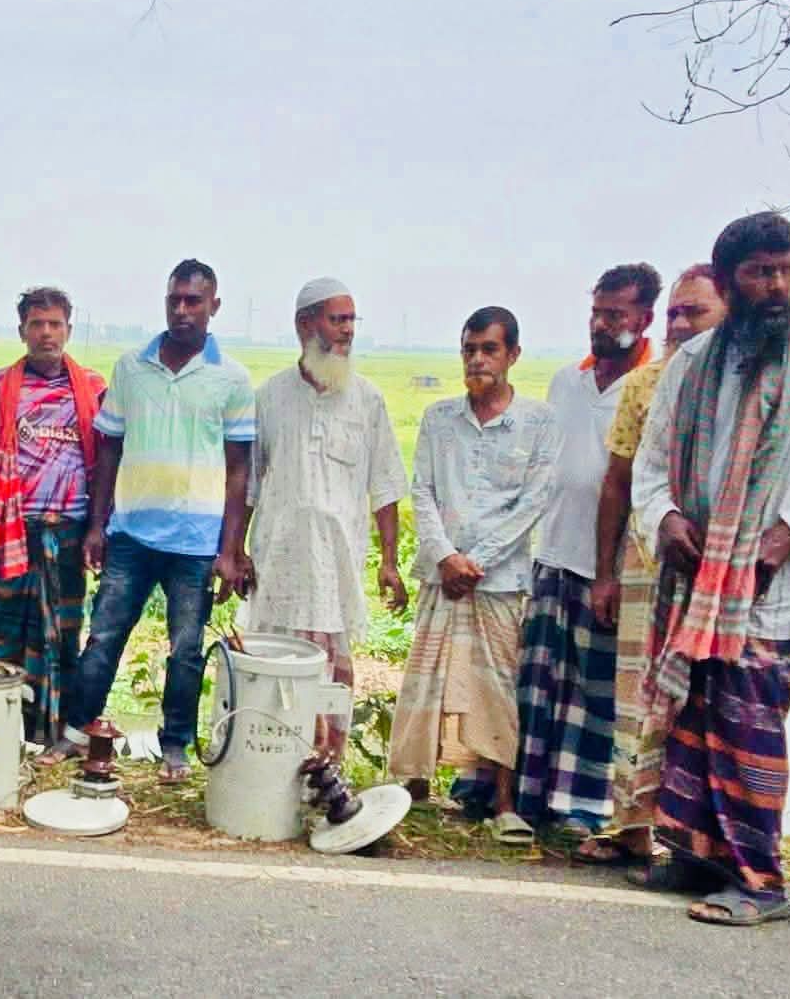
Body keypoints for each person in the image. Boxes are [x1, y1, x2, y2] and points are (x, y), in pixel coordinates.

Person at [631, 212, 790, 926]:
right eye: (760, 272)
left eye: (786, 269)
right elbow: (651, 468)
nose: (776, 285)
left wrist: (786, 535)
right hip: (694, 581)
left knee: (748, 731)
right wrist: (667, 519)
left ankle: (760, 881)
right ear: (730, 280)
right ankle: (695, 857)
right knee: (691, 721)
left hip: (771, 593)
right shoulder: (694, 361)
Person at [39, 259, 253, 784]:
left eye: (194, 301)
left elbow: (238, 469)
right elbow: (108, 449)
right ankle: (74, 732)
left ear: (214, 307)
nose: (182, 310)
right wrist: (97, 526)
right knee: (104, 636)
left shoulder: (232, 378)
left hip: (196, 543)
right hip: (130, 534)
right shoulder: (132, 367)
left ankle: (174, 744)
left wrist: (231, 550)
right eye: (175, 299)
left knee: (184, 649)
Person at [388, 307, 558, 845]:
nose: (478, 359)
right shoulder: (440, 419)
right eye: (469, 349)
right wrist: (444, 556)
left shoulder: (539, 422)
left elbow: (534, 501)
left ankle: (504, 803)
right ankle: (409, 788)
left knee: (495, 688)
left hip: (499, 580)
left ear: (513, 355)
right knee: (425, 682)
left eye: (489, 349)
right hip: (443, 576)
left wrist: (476, 559)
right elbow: (423, 492)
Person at [578, 264, 727, 865]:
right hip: (645, 560)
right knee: (637, 699)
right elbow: (617, 483)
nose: (682, 324)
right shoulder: (647, 385)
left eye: (697, 313)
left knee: (707, 701)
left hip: (722, 571)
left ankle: (698, 841)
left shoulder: (744, 387)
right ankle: (630, 829)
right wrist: (607, 572)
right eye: (676, 314)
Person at [513, 263, 660, 837]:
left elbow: (632, 487)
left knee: (595, 694)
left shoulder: (652, 386)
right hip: (552, 556)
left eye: (614, 314)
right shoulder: (564, 382)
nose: (600, 324)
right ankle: (532, 799)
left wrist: (611, 574)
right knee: (539, 684)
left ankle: (584, 809)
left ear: (643, 318)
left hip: (610, 568)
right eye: (596, 312)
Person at [238, 278, 407, 759]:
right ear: (305, 325)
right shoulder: (270, 396)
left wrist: (390, 562)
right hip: (279, 565)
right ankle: (269, 770)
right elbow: (248, 481)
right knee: (272, 671)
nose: (348, 330)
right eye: (338, 319)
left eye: (352, 319)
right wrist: (235, 551)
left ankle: (325, 776)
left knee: (332, 676)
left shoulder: (368, 400)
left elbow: (387, 485)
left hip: (337, 569)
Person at [0, 286, 105, 745]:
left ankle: (52, 733)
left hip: (67, 531)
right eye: (37, 324)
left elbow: (107, 461)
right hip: (12, 528)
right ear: (22, 330)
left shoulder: (92, 389)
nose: (46, 333)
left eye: (55, 324)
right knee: (3, 628)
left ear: (69, 329)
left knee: (61, 635)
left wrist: (97, 527)